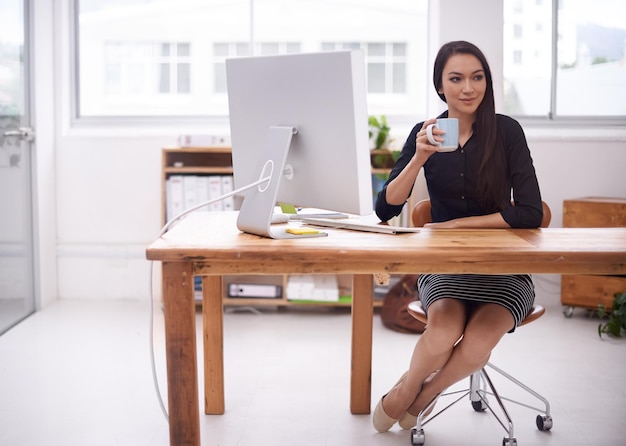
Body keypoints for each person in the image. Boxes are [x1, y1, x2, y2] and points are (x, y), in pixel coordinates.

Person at [372, 40, 544, 432]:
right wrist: (419, 158)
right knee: (444, 331)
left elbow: (531, 211)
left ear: (486, 82)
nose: (469, 88)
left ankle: (423, 394)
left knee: (479, 340)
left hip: (504, 272)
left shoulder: (507, 132)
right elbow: (385, 208)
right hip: (446, 269)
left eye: (477, 77)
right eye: (457, 78)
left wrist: (455, 225)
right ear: (440, 86)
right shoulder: (426, 133)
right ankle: (406, 389)